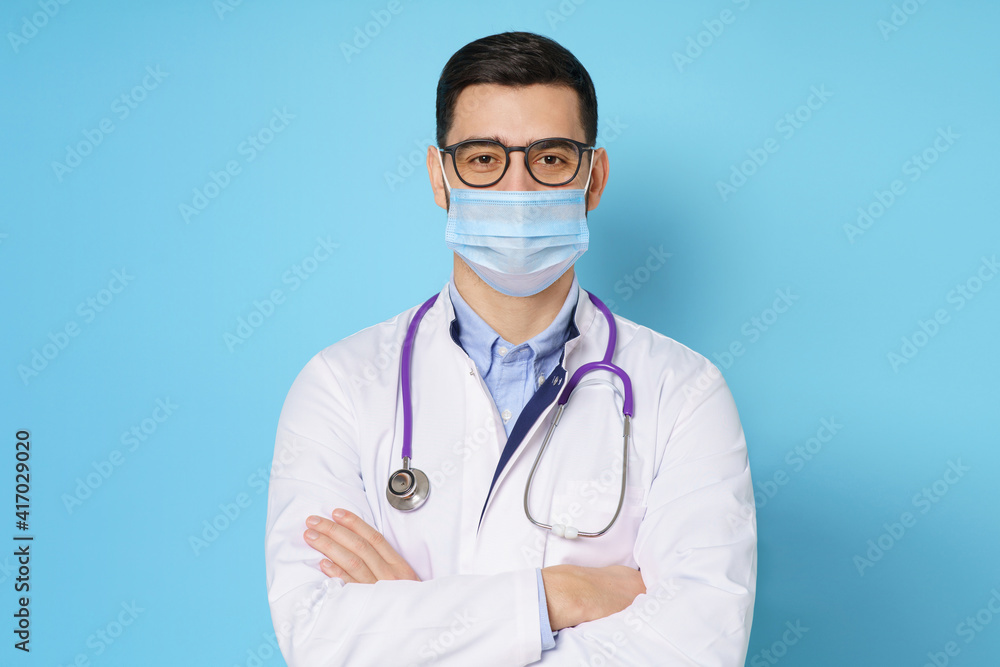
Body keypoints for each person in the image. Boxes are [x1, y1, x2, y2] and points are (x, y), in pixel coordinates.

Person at [265, 31, 756, 666]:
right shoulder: (340, 384)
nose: (517, 189)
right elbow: (319, 639)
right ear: (441, 179)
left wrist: (417, 622)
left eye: (550, 159)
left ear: (594, 178)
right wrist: (557, 596)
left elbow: (696, 649)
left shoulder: (684, 391)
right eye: (482, 159)